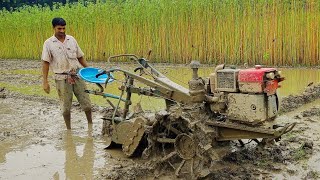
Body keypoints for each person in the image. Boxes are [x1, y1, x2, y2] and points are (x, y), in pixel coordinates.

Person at [41, 17, 92, 129]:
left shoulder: (71, 39)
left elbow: (80, 57)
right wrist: (45, 81)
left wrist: (90, 70)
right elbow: (45, 63)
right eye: (59, 28)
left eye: (64, 28)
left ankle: (90, 125)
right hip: (61, 78)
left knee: (87, 104)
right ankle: (69, 129)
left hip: (77, 74)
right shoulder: (48, 43)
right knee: (65, 108)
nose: (62, 31)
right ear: (53, 28)